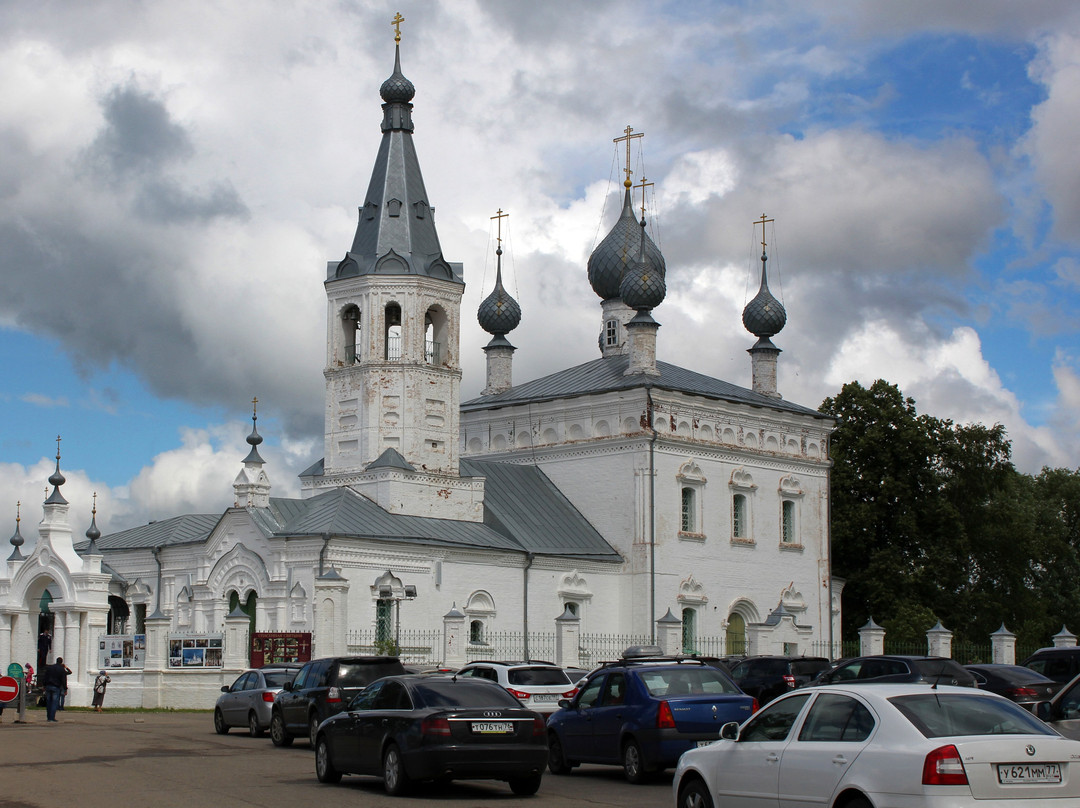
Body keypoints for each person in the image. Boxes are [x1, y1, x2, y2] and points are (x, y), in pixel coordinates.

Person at [41, 657, 68, 722]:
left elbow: (45, 677)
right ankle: (52, 717)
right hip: (56, 687)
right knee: (54, 702)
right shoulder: (61, 669)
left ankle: (48, 717)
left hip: (48, 686)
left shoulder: (50, 668)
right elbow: (64, 680)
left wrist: (44, 685)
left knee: (48, 702)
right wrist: (65, 689)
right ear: (61, 662)